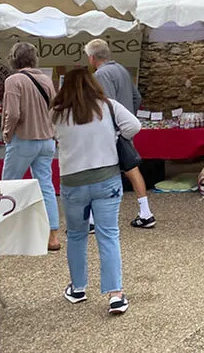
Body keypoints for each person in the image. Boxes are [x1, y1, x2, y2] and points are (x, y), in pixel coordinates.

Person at [52, 67, 139, 315]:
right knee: (108, 234)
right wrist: (114, 136)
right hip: (106, 178)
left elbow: (51, 135)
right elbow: (134, 126)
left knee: (77, 235)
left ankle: (78, 288)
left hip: (73, 181)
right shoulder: (108, 106)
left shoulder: (58, 113)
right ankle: (115, 295)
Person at [85, 38, 155, 229]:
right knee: (132, 169)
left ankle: (92, 220)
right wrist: (128, 116)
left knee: (97, 172)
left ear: (92, 58)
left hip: (111, 131)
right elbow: (136, 96)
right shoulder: (122, 70)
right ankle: (145, 212)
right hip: (124, 129)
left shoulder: (100, 75)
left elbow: (106, 104)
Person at [0, 42, 60, 251]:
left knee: (8, 185)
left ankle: (7, 232)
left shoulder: (13, 81)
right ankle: (52, 235)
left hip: (23, 139)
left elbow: (13, 113)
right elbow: (55, 108)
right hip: (46, 140)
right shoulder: (46, 80)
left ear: (14, 58)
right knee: (46, 186)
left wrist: (7, 133)